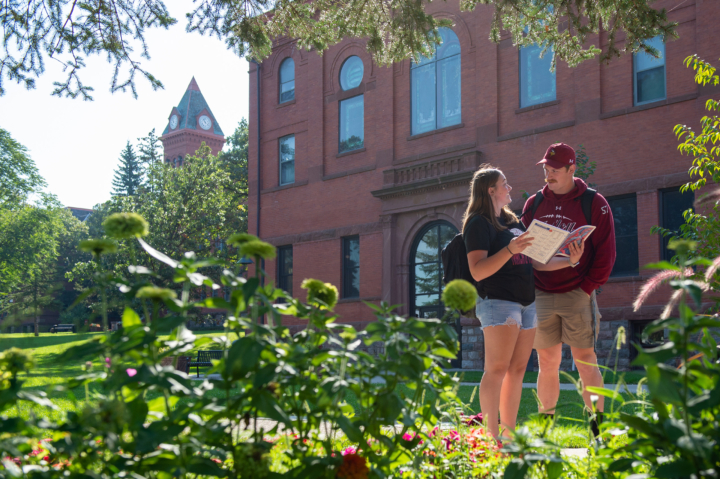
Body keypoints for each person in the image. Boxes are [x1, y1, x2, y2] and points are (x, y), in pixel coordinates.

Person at [463, 164, 585, 442]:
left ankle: (508, 436)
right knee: (496, 369)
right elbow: (478, 270)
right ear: (490, 190)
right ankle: (491, 440)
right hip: (498, 302)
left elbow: (538, 263)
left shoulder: (513, 222)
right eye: (504, 183)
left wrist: (570, 260)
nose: (509, 187)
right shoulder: (478, 223)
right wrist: (509, 249)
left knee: (518, 370)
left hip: (527, 304)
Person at [521, 143, 616, 437]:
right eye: (545, 169)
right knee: (546, 363)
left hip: (577, 292)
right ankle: (544, 433)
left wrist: (587, 287)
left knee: (586, 362)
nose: (547, 174)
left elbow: (606, 253)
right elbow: (524, 250)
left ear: (571, 169)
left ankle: (597, 430)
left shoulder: (594, 203)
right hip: (541, 293)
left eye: (554, 170)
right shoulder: (534, 204)